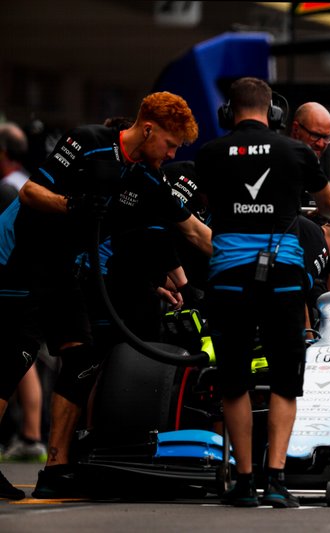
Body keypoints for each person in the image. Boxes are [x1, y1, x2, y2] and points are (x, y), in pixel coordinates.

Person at [0, 91, 203, 500]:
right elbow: (29, 193)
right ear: (148, 129)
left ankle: (55, 468)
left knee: (82, 356)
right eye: (170, 144)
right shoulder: (87, 140)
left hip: (63, 268)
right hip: (18, 256)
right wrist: (71, 204)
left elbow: (194, 231)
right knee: (14, 355)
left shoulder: (146, 176)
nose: (171, 154)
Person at [196, 77, 330, 507]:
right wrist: (318, 213)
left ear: (228, 112)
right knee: (284, 381)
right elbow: (328, 199)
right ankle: (275, 480)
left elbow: (204, 202)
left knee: (234, 382)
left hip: (228, 277)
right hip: (284, 279)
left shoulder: (209, 154)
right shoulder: (296, 151)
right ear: (274, 114)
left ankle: (243, 482)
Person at [0, 122, 49, 464]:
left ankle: (31, 433)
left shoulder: (8, 187)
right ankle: (31, 434)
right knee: (23, 356)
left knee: (17, 354)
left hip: (13, 277)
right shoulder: (26, 181)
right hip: (29, 278)